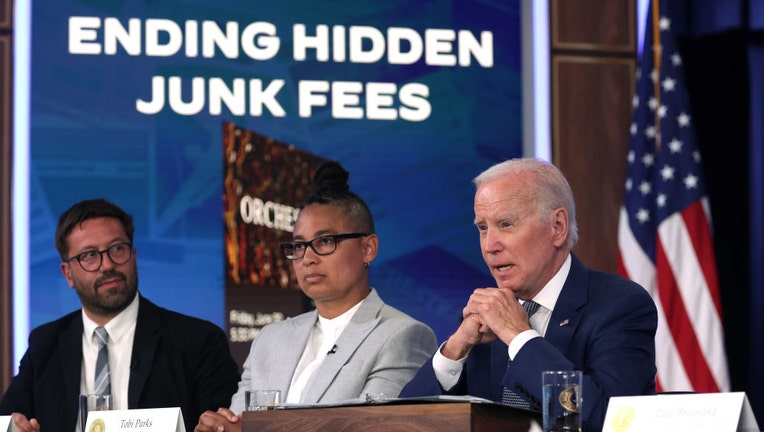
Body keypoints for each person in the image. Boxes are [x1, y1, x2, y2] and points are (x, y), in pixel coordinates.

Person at [400, 158, 658, 432]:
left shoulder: (620, 305)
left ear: (557, 227)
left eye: (506, 224)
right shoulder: (484, 319)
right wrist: (455, 349)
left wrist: (518, 336)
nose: (490, 246)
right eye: (483, 228)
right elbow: (404, 424)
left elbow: (609, 421)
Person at [195, 161, 438, 432]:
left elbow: (374, 428)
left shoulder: (403, 336)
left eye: (324, 241)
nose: (307, 258)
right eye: (299, 246)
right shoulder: (270, 339)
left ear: (368, 248)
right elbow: (238, 423)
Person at [0, 198, 241, 432]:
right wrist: (14, 427)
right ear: (68, 274)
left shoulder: (198, 340)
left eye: (117, 249)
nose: (107, 265)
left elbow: (224, 424)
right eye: (89, 255)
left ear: (133, 254)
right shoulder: (46, 343)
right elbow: (8, 419)